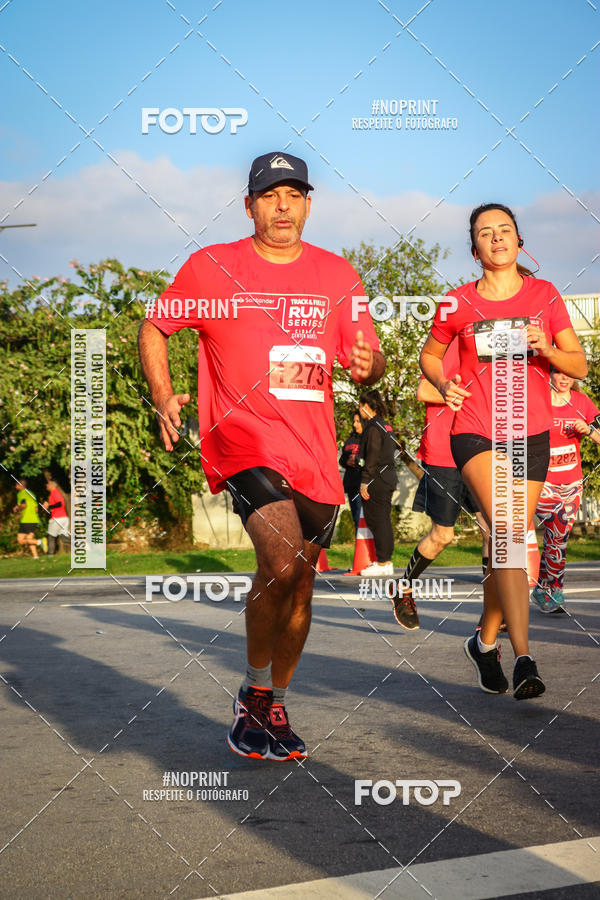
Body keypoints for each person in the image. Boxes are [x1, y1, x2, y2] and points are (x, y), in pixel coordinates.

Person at [138, 151, 385, 760]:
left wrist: (367, 365)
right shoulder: (212, 267)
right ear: (249, 205)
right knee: (278, 558)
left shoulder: (338, 276)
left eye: (294, 194)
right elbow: (154, 327)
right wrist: (165, 394)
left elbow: (373, 357)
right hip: (242, 438)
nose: (283, 205)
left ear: (308, 204)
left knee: (301, 583)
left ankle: (274, 700)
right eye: (270, 195)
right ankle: (252, 693)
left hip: (314, 452)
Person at [420, 202, 587, 700]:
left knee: (502, 548)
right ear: (475, 249)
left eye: (505, 230)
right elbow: (430, 355)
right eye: (485, 233)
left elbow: (576, 364)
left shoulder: (545, 296)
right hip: (475, 431)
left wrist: (547, 348)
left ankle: (483, 641)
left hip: (531, 434)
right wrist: (443, 381)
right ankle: (525, 659)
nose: (496, 238)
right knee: (511, 534)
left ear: (519, 241)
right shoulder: (456, 303)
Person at [395, 336, 490, 631]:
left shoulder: (491, 351)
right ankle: (404, 588)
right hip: (444, 454)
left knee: (494, 531)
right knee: (443, 536)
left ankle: (493, 612)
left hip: (480, 450)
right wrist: (462, 394)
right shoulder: (450, 347)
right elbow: (423, 389)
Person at [532, 369, 600, 613]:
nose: (564, 379)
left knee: (556, 535)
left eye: (569, 375)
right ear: (549, 374)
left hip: (572, 483)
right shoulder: (536, 400)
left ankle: (542, 589)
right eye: (559, 374)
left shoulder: (582, 403)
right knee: (558, 528)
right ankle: (556, 589)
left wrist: (589, 430)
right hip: (543, 482)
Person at [357, 390, 397, 577]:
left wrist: (365, 481)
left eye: (360, 406)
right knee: (383, 520)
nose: (359, 410)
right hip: (388, 476)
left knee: (377, 520)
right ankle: (385, 560)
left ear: (366, 406)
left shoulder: (373, 428)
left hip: (377, 480)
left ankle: (383, 562)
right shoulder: (386, 426)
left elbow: (372, 456)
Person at [339, 410, 364, 531]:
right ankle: (360, 548)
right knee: (356, 518)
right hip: (351, 485)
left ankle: (369, 548)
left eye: (358, 421)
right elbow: (341, 460)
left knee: (364, 520)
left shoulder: (368, 438)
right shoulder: (350, 439)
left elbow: (373, 459)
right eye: (354, 421)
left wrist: (358, 460)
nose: (355, 424)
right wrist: (346, 461)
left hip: (364, 485)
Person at [13, 478, 43, 557]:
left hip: (28, 519)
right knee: (23, 540)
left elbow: (23, 505)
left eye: (16, 485)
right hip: (31, 519)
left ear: (20, 485)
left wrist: (17, 509)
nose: (15, 486)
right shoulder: (31, 493)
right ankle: (36, 556)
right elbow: (36, 509)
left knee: (25, 540)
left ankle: (40, 542)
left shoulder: (20, 494)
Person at [42, 479, 70, 555]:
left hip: (57, 518)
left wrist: (49, 506)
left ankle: (50, 555)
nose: (46, 485)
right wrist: (49, 508)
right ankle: (83, 544)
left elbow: (60, 504)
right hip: (63, 518)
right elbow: (57, 505)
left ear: (52, 485)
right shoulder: (53, 493)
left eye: (48, 484)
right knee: (64, 538)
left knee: (51, 537)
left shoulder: (54, 492)